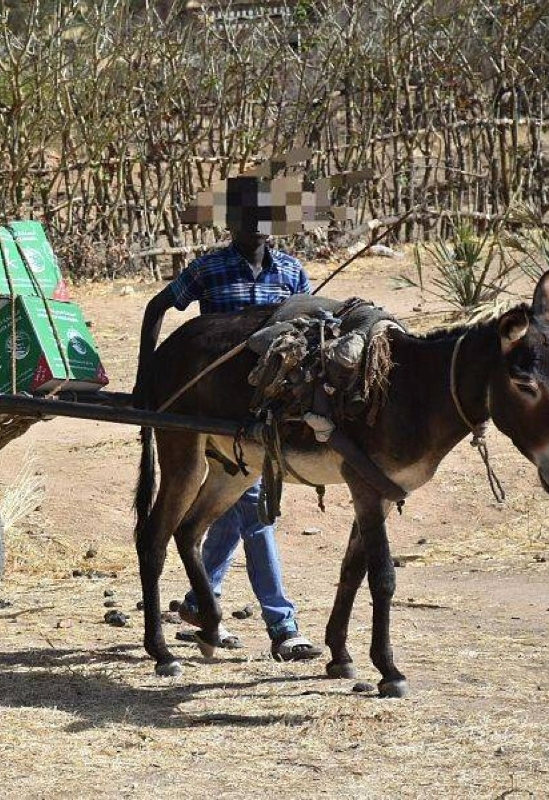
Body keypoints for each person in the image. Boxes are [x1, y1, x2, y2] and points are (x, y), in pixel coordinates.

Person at [137, 205, 324, 662]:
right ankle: (282, 626)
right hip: (215, 402)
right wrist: (147, 378)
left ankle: (204, 604)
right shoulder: (210, 267)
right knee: (254, 509)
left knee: (231, 505)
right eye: (247, 216)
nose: (255, 225)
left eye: (265, 217)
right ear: (231, 223)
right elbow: (159, 304)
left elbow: (311, 331)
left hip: (268, 410)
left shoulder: (293, 273)